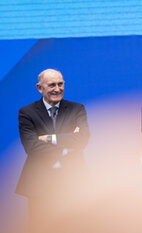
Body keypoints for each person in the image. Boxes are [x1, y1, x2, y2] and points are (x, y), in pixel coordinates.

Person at [16, 69, 90, 233]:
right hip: (40, 184)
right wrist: (67, 147)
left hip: (73, 182)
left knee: (76, 227)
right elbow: (32, 147)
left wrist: (50, 138)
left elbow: (82, 139)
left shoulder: (77, 109)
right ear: (39, 88)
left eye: (60, 84)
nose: (57, 89)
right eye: (51, 85)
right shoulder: (26, 113)